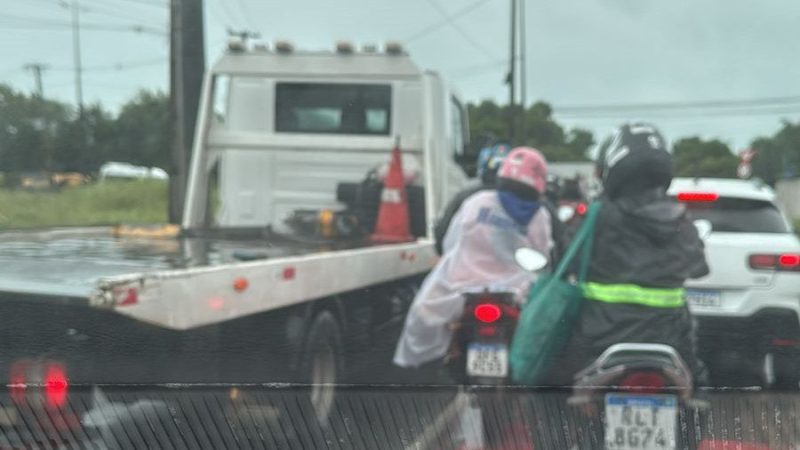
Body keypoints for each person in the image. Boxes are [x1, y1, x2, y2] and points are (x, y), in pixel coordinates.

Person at [544, 122, 710, 385]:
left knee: (550, 386)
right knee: (697, 395)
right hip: (670, 339)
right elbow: (699, 268)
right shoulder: (680, 220)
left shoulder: (595, 217)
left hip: (596, 339)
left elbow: (563, 263)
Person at [394, 147, 554, 369]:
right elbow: (547, 256)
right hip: (517, 291)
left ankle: (447, 352)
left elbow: (448, 240)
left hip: (462, 286)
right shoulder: (540, 213)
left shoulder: (475, 201)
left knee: (425, 310)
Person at [433, 141, 511, 255]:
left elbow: (441, 233)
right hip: (510, 268)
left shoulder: (465, 195)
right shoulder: (525, 201)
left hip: (467, 265)